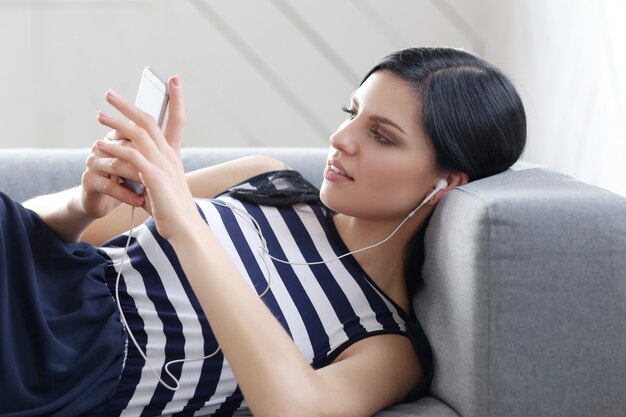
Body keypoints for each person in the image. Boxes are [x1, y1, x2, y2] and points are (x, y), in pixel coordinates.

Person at [0, 47, 526, 417]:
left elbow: (295, 408)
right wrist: (83, 202)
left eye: (381, 136)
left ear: (444, 183)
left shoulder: (385, 342)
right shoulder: (265, 179)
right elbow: (42, 238)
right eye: (351, 113)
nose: (341, 139)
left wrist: (185, 223)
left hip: (62, 367)